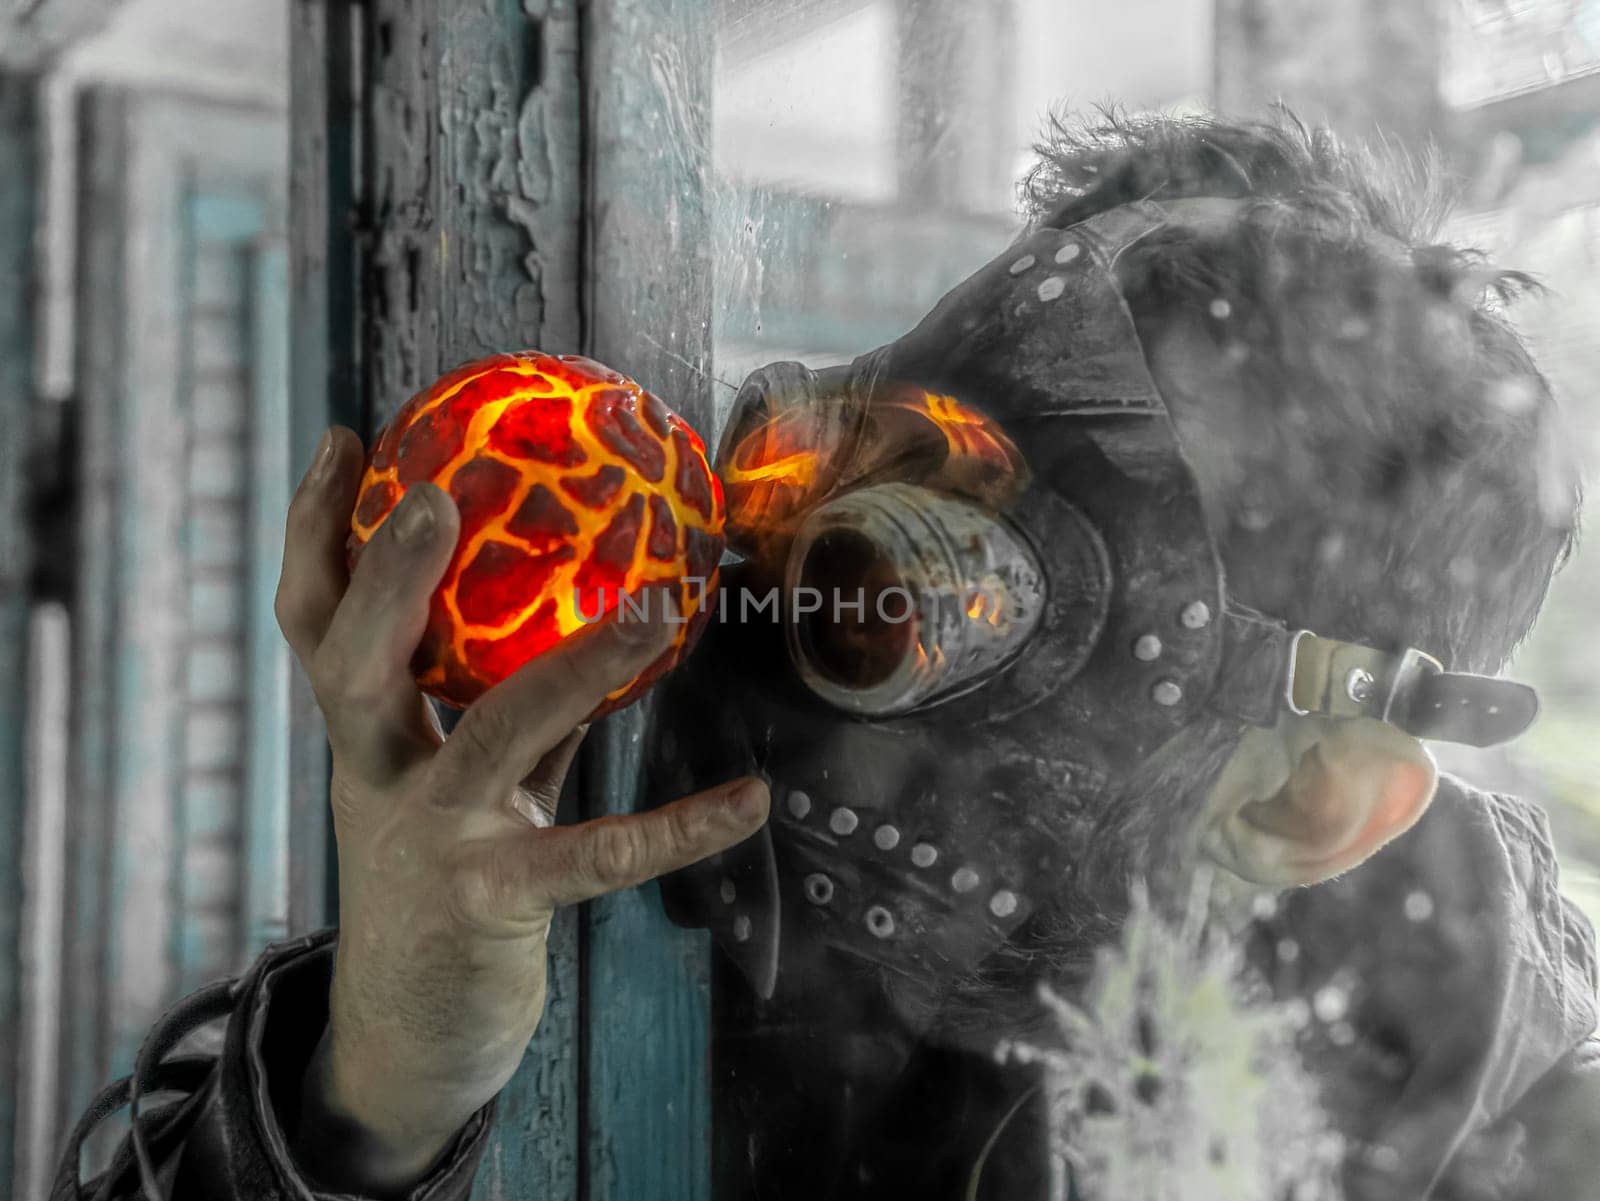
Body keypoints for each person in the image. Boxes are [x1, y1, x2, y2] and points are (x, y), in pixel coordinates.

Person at [52, 111, 1599, 1201]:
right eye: (841, 445)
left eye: (898, 599)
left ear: (1304, 808)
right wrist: (372, 1091)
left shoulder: (1491, 1136)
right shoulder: (584, 824)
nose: (764, 580)